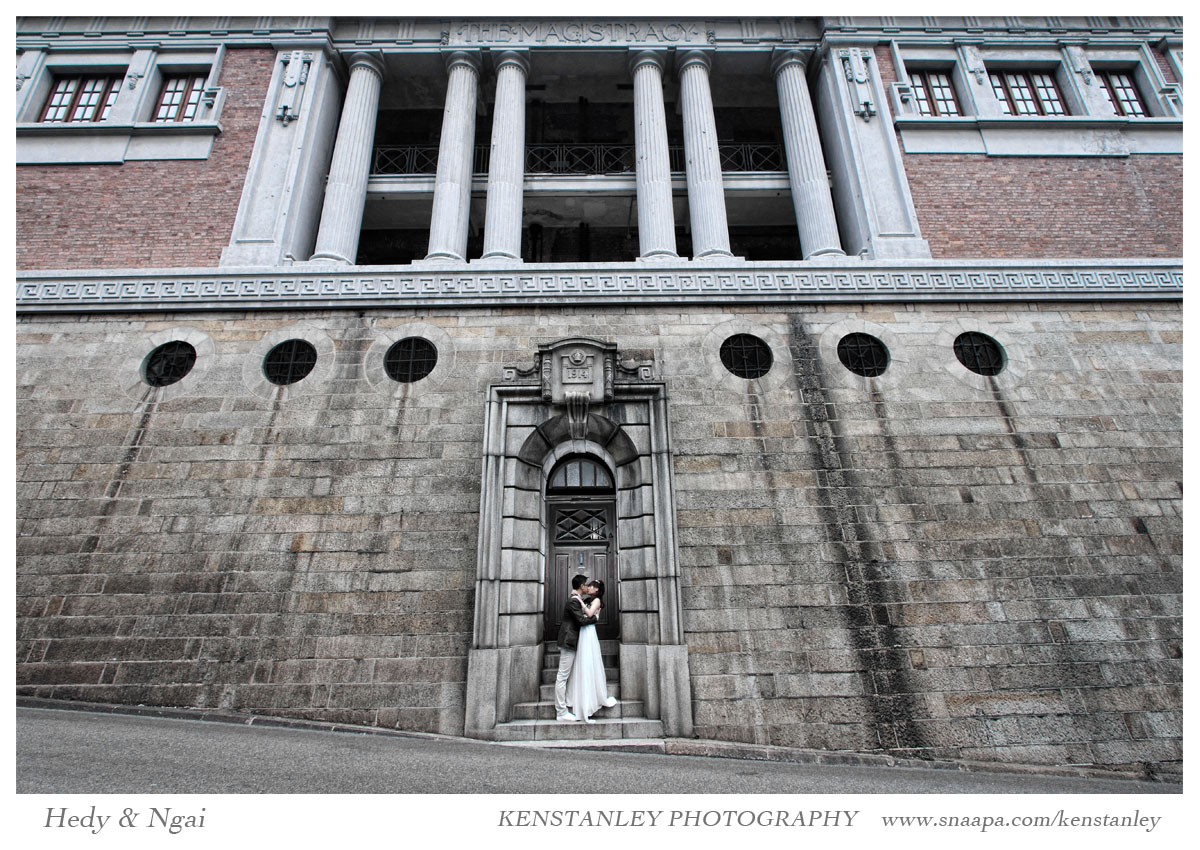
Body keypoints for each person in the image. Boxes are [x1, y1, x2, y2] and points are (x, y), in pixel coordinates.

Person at [566, 579, 618, 722]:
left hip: (588, 632)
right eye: (588, 585)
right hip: (583, 631)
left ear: (597, 590)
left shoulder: (597, 601)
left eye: (591, 586)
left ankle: (589, 701)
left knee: (588, 660)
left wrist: (580, 602)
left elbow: (589, 614)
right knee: (581, 661)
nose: (588, 588)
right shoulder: (589, 599)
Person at [554, 574, 597, 722]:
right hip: (568, 642)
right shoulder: (573, 601)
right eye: (586, 584)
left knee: (565, 676)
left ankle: (565, 706)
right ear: (581, 586)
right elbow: (581, 620)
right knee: (562, 676)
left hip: (572, 641)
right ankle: (561, 712)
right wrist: (595, 617)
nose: (587, 587)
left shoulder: (577, 599)